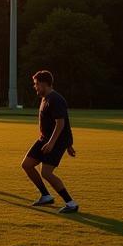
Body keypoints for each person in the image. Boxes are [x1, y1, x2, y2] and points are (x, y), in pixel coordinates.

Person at [21, 70, 79, 213]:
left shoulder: (56, 99)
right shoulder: (45, 98)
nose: (35, 87)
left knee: (46, 172)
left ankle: (71, 203)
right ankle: (46, 196)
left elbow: (61, 123)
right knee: (27, 164)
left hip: (56, 140)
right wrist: (68, 145)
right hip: (44, 139)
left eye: (36, 84)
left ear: (44, 84)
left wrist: (56, 143)